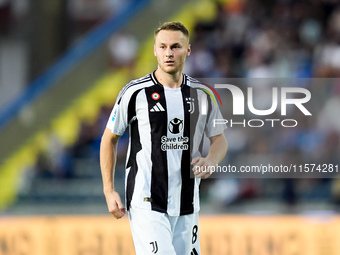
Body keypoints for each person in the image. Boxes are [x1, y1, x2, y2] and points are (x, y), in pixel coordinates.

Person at [100, 21, 228, 255]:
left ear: (188, 50)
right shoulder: (135, 92)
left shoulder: (203, 94)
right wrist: (109, 190)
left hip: (188, 204)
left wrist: (211, 160)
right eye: (163, 46)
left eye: (176, 46)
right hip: (147, 202)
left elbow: (219, 139)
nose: (169, 53)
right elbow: (109, 138)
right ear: (155, 50)